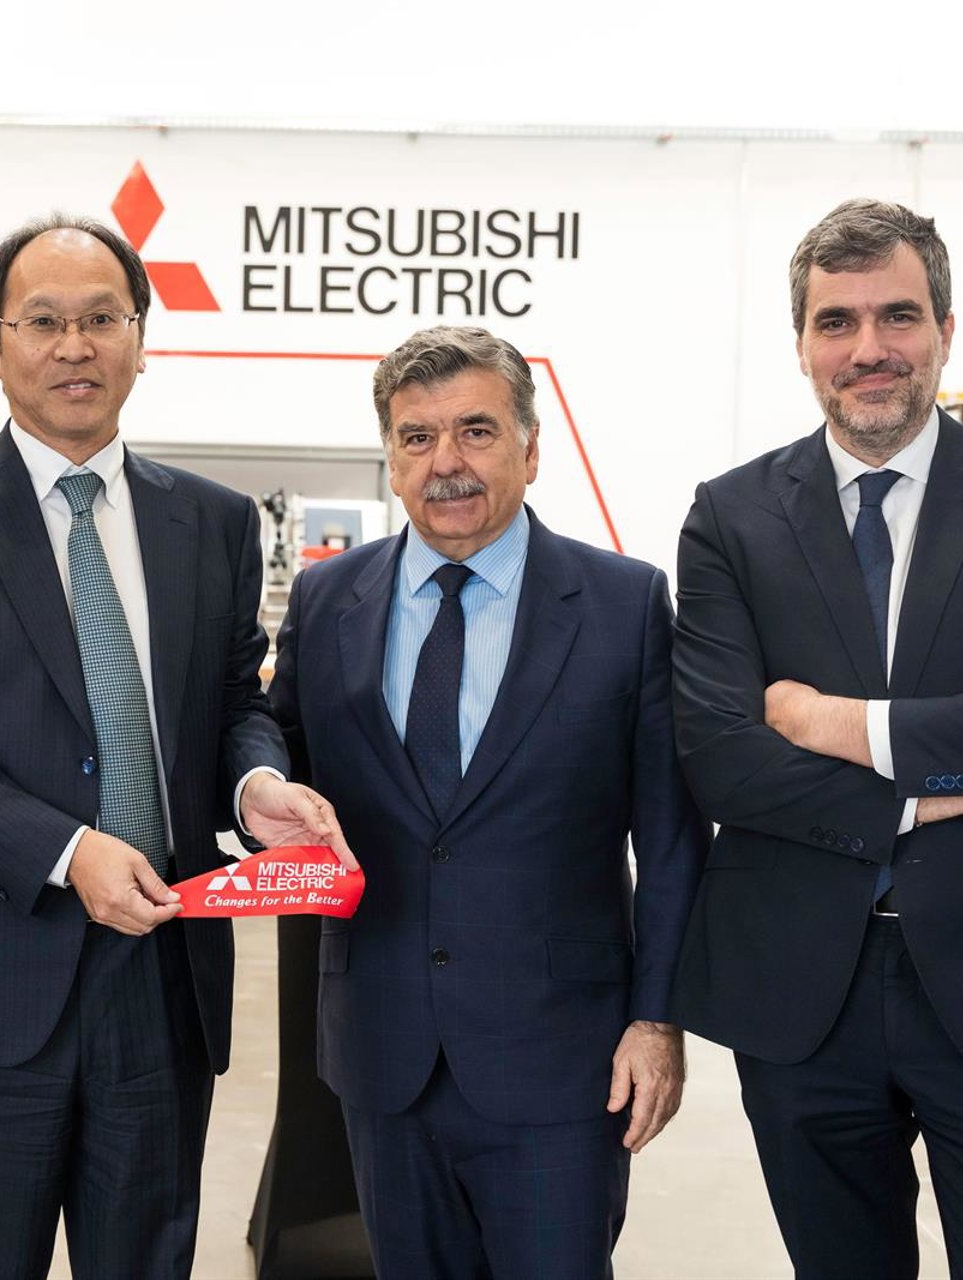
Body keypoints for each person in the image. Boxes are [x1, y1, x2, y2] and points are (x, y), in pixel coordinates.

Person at [0, 213, 352, 1279]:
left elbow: (233, 699)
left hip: (160, 978)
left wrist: (256, 780)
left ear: (140, 339)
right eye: (43, 321)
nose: (75, 346)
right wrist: (69, 852)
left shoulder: (210, 522)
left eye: (102, 319)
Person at [671, 198, 963, 1279]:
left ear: (945, 330)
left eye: (898, 315)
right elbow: (724, 759)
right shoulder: (731, 517)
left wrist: (829, 722)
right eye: (836, 321)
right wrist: (954, 771)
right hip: (801, 984)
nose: (868, 348)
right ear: (801, 344)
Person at [267, 325, 708, 1278]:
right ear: (392, 459)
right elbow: (275, 755)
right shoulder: (328, 601)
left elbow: (673, 840)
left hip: (564, 1061)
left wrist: (658, 1020)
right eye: (417, 437)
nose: (447, 462)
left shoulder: (623, 605)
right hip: (383, 1052)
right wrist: (255, 789)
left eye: (476, 430)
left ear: (530, 448)